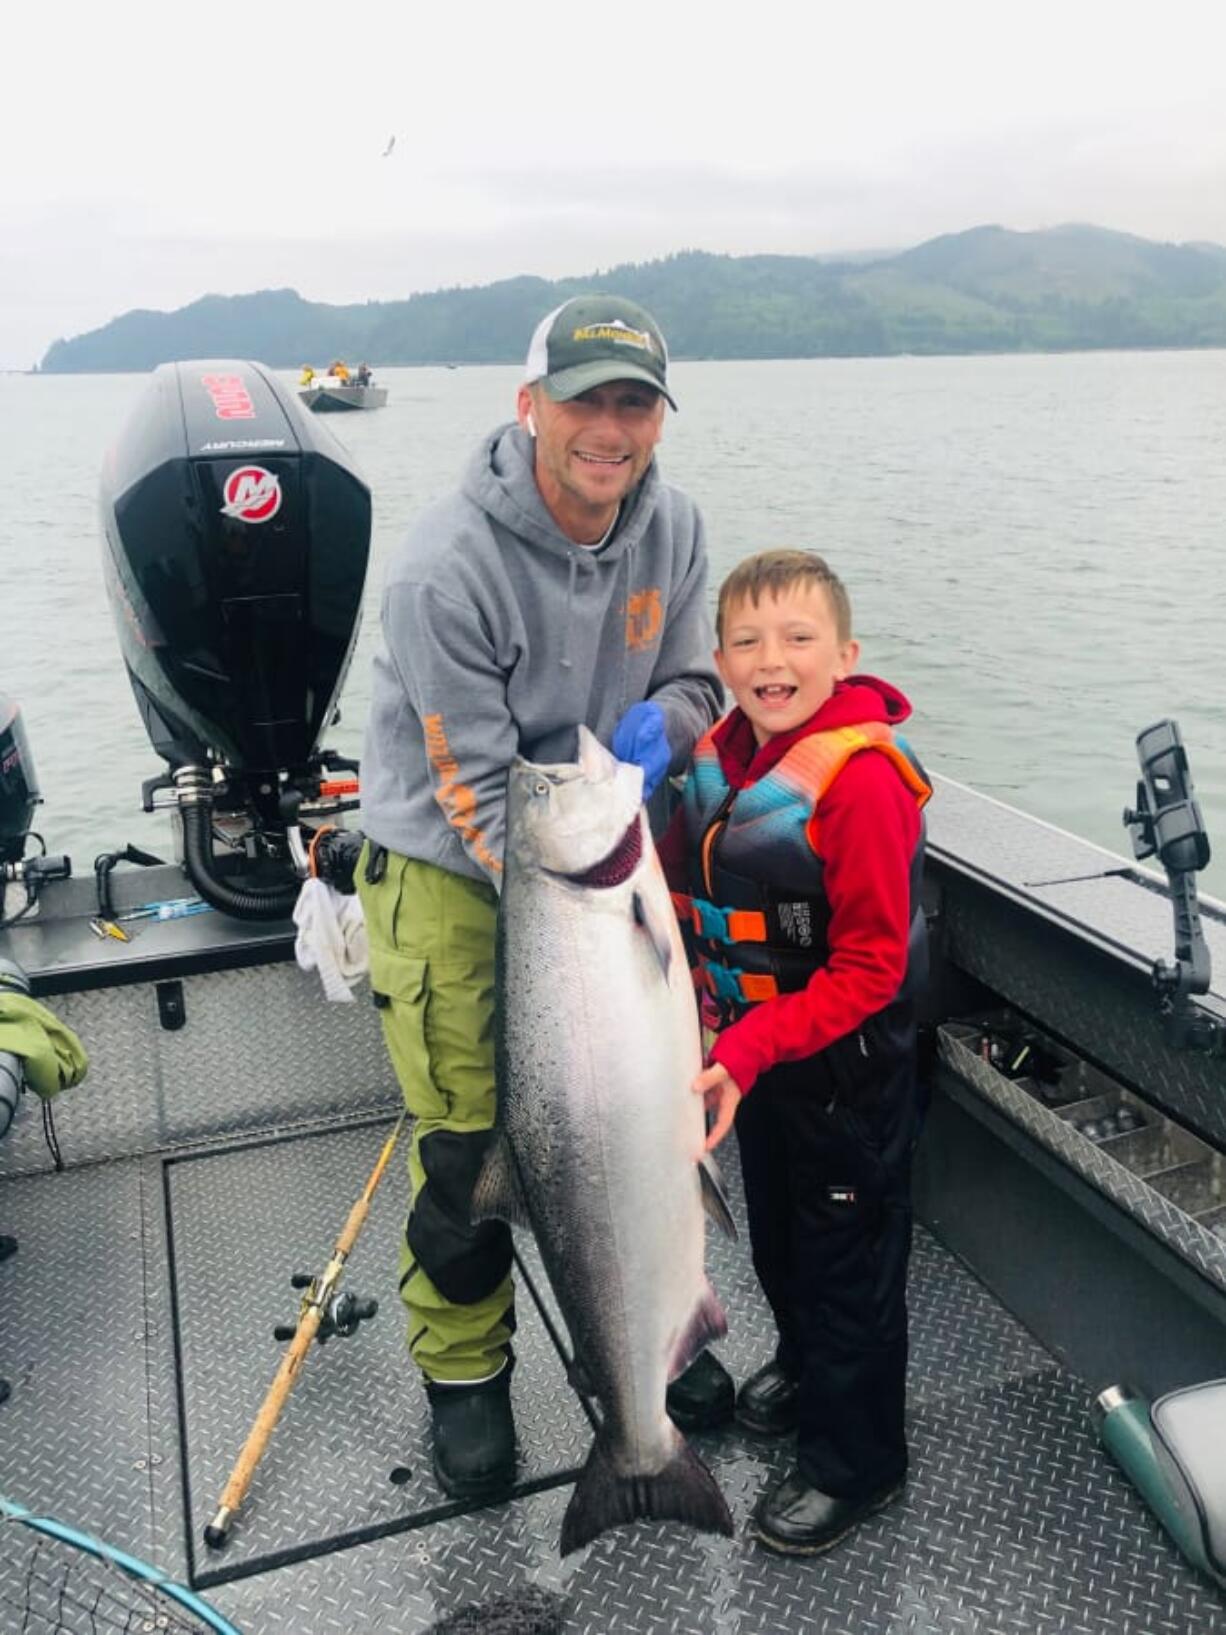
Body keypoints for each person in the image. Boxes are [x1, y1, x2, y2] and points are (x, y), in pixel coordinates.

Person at [356, 294, 725, 1502]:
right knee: (473, 1152)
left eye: (633, 403)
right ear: (528, 406)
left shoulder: (670, 530)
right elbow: (471, 792)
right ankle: (465, 1374)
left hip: (598, 850)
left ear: (656, 422)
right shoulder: (442, 567)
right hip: (463, 868)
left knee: (635, 1122)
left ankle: (655, 1343)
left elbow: (695, 676)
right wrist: (580, 867)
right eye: (583, 399)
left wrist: (660, 733)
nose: (608, 428)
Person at [666, 549, 931, 1555]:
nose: (770, 660)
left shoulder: (858, 785)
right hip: (757, 1072)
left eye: (796, 639)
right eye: (746, 642)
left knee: (845, 1269)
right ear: (720, 661)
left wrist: (750, 1046)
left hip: (843, 1078)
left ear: (844, 653)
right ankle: (804, 1363)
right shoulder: (719, 758)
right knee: (776, 1239)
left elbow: (870, 968)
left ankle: (855, 1462)